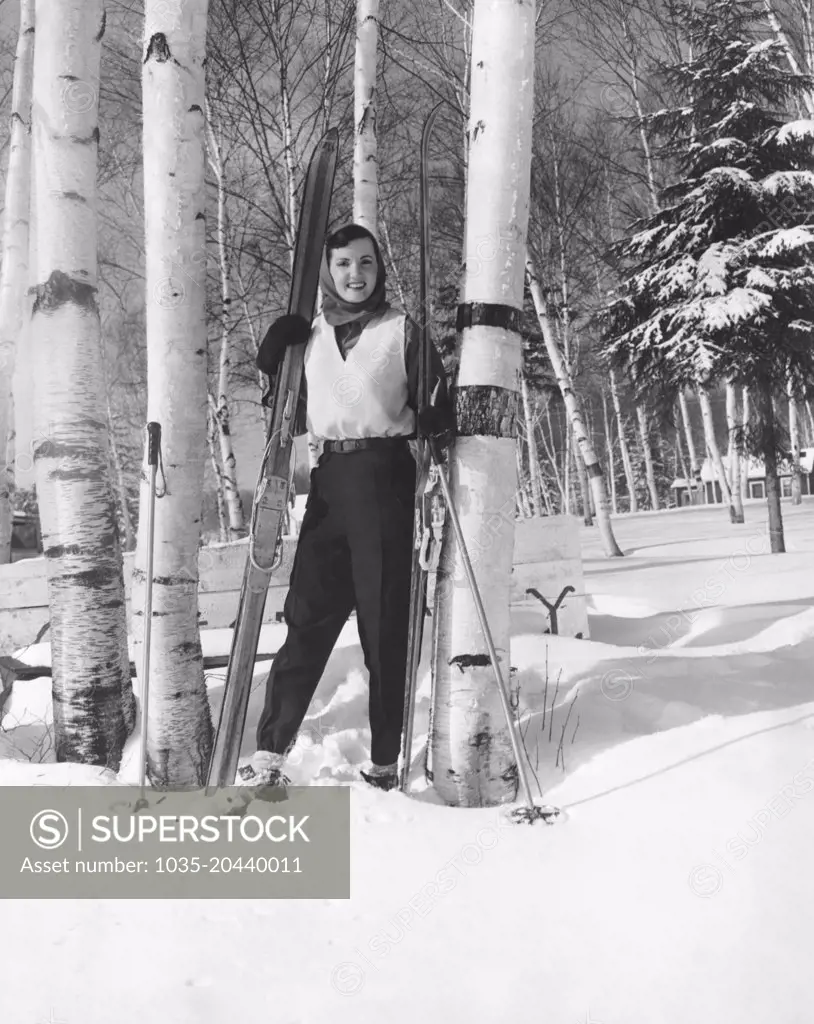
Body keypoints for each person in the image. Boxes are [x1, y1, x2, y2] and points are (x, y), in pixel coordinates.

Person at [240, 222, 454, 790]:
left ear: (378, 267)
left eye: (364, 263)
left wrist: (437, 419)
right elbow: (288, 404)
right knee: (307, 615)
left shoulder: (402, 329)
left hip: (385, 476)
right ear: (327, 272)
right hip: (328, 480)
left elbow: (438, 397)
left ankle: (385, 757)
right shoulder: (309, 337)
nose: (355, 275)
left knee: (385, 625)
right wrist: (272, 358)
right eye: (342, 265)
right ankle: (269, 752)